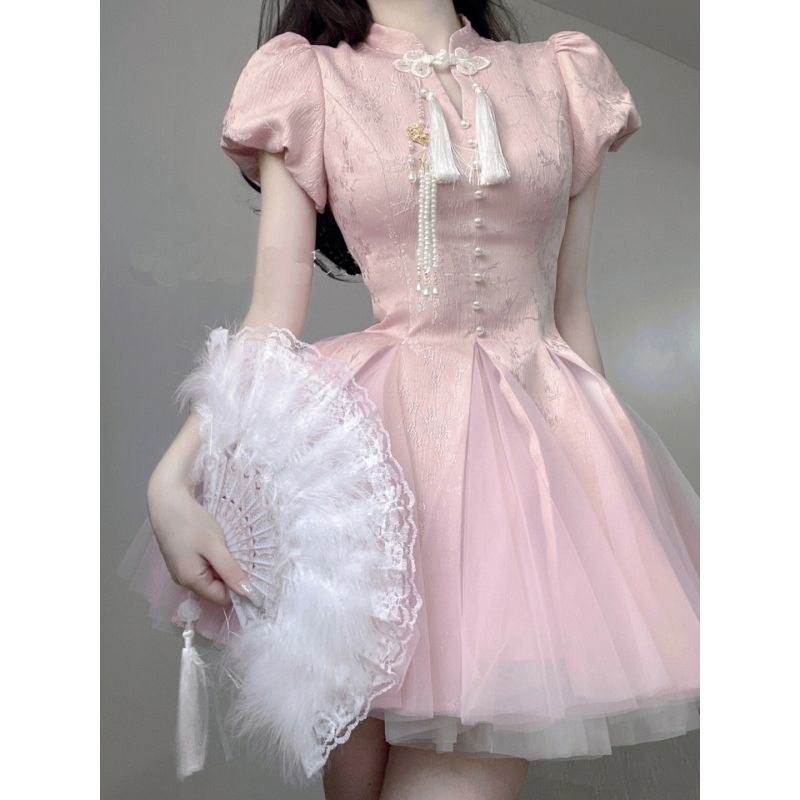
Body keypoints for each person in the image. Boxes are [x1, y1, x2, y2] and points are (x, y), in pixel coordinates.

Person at [131, 1, 700, 798]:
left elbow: (570, 314)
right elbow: (270, 322)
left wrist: (606, 500)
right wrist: (172, 476)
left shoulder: (564, 76)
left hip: (526, 472)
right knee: (354, 783)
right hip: (370, 481)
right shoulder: (310, 79)